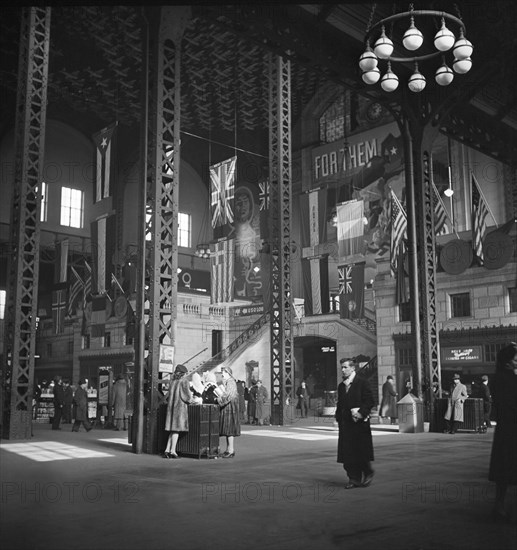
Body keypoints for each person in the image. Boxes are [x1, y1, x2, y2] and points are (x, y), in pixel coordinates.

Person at [335, 357, 375, 489]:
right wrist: (338, 418)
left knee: (361, 453)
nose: (343, 370)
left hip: (359, 424)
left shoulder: (362, 383)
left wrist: (361, 413)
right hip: (346, 425)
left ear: (353, 368)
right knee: (347, 455)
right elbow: (340, 404)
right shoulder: (341, 386)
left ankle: (368, 472)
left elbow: (369, 401)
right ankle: (354, 479)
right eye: (342, 367)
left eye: (345, 367)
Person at [488, 342, 517, 522]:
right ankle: (502, 507)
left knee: (504, 467)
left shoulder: (499, 378)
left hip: (506, 428)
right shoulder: (507, 379)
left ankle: (500, 505)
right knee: (507, 466)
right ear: (507, 361)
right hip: (511, 428)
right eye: (515, 358)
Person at [163, 364, 193, 459]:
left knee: (172, 430)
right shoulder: (184, 381)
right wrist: (191, 399)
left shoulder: (173, 381)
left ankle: (167, 450)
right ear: (183, 374)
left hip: (172, 408)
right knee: (176, 430)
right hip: (179, 409)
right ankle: (173, 451)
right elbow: (187, 396)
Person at [217, 366, 241, 457]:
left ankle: (231, 450)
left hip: (230, 409)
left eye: (223, 373)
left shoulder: (230, 382)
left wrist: (219, 399)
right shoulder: (229, 382)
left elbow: (228, 395)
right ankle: (228, 449)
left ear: (228, 373)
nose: (222, 374)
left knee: (230, 430)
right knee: (228, 430)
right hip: (229, 408)